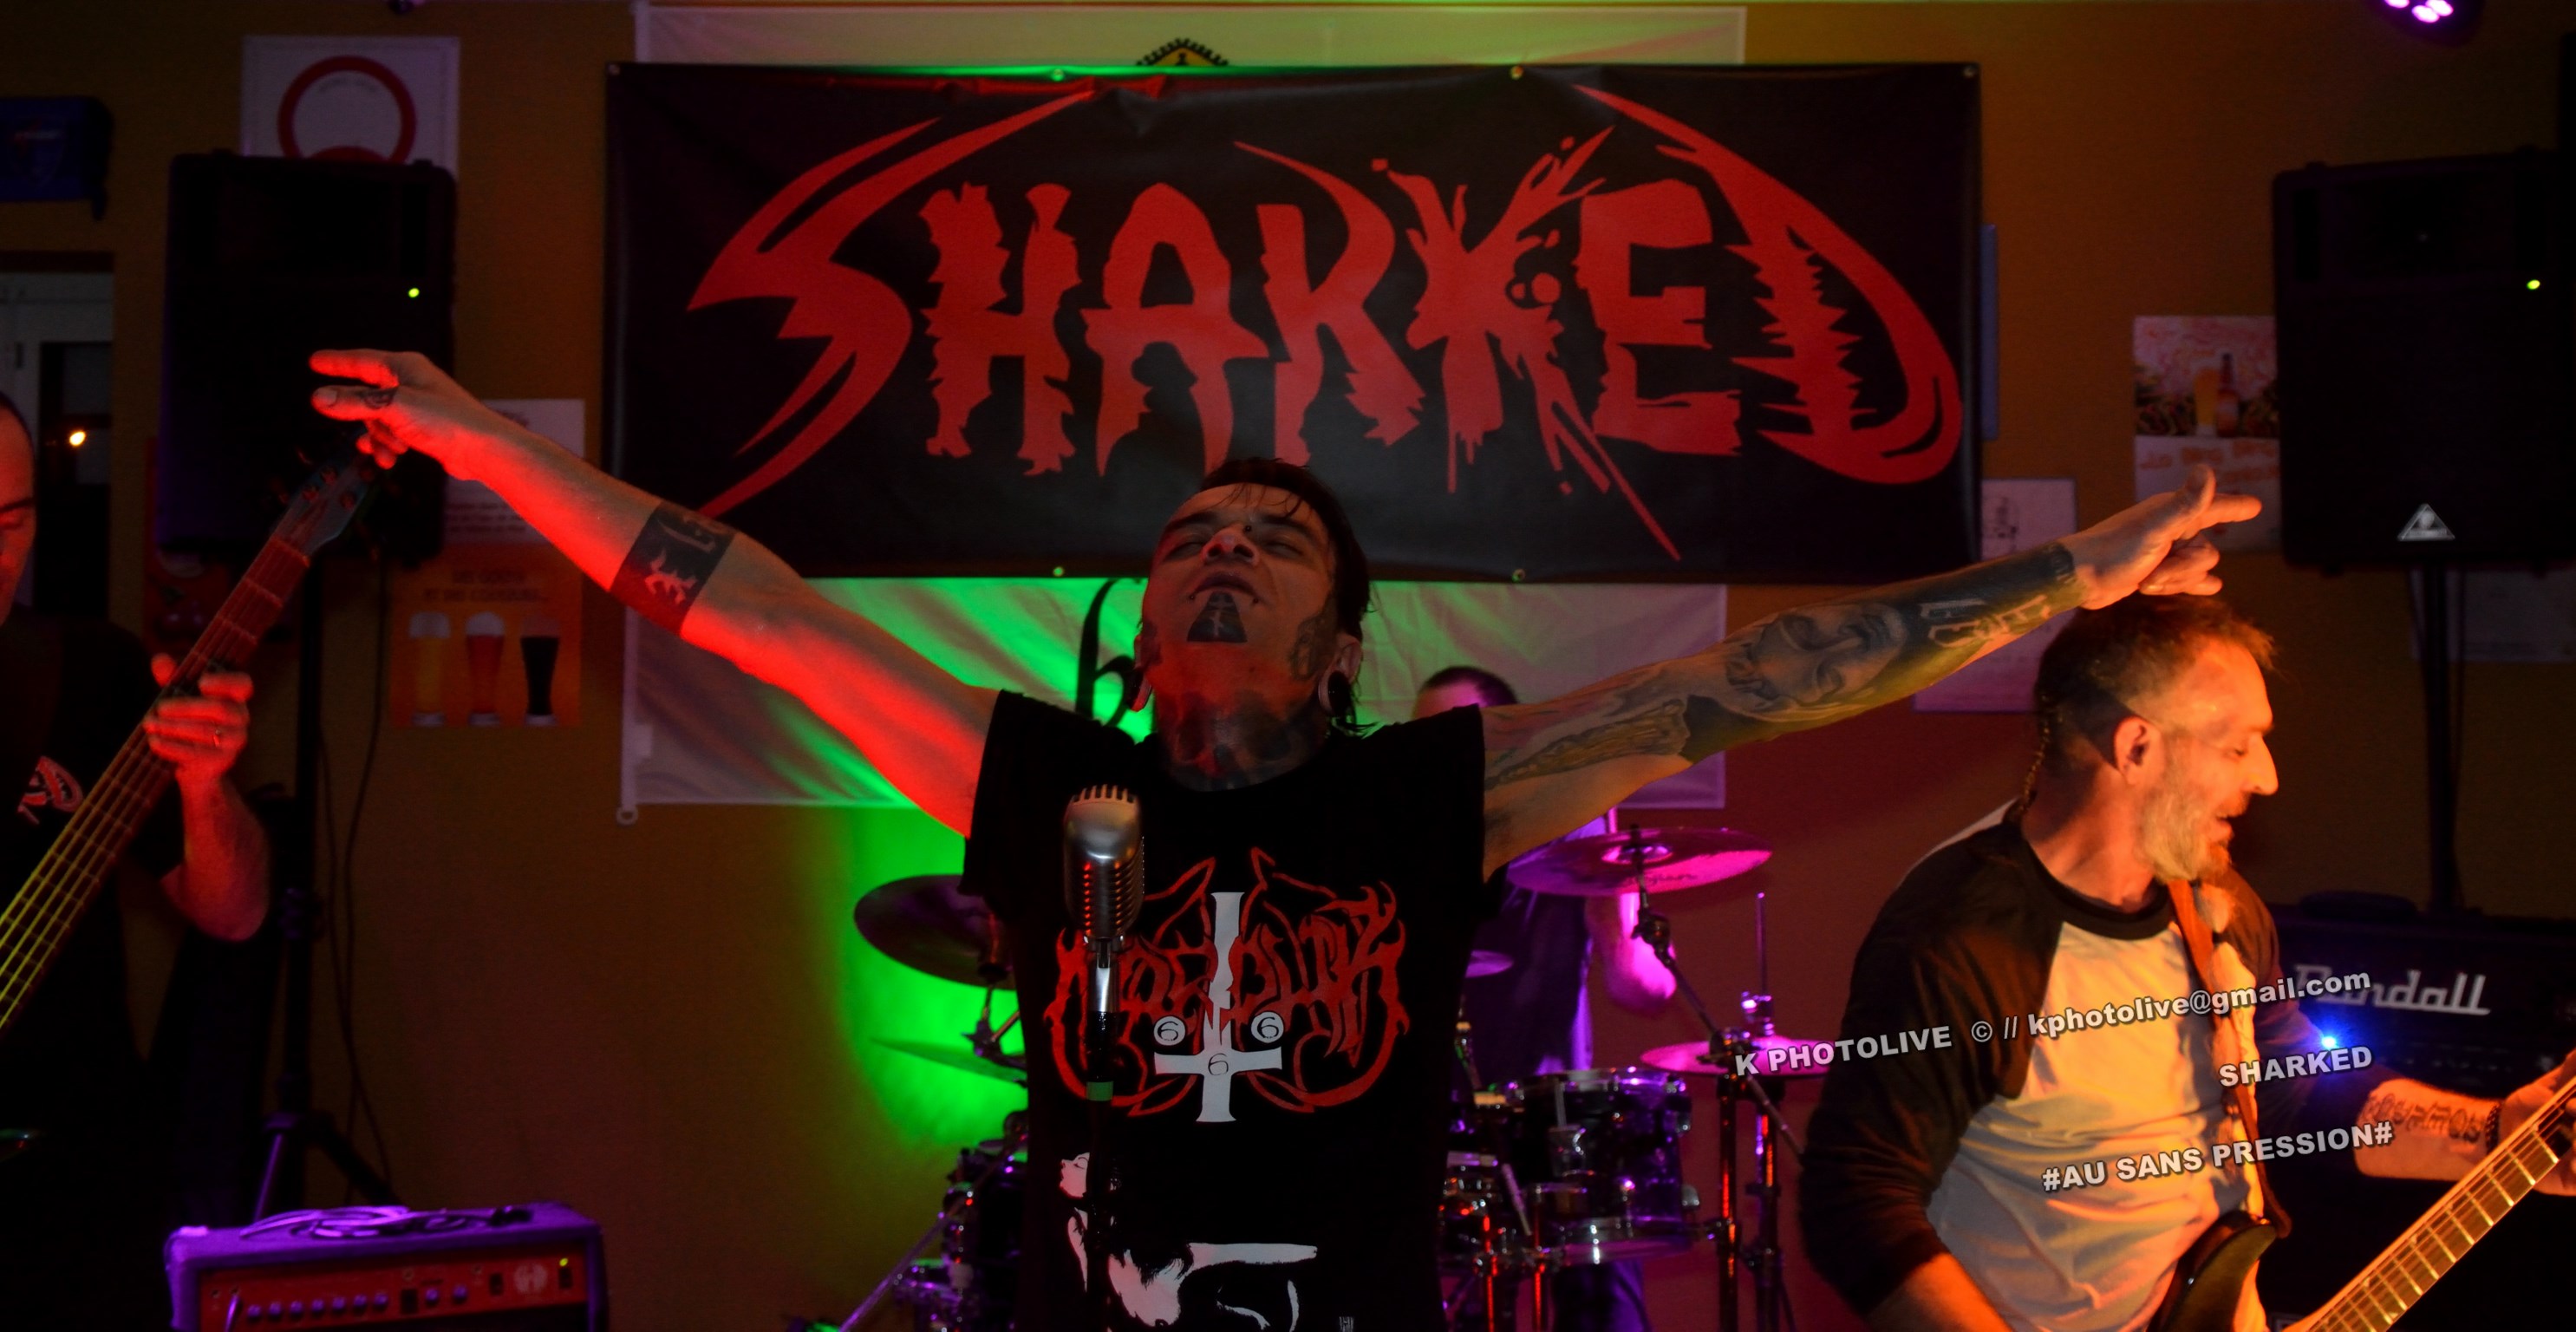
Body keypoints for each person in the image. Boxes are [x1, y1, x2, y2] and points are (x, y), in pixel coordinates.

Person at [307, 348, 2254, 1330]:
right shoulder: (1054, 789)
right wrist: (487, 442)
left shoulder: (1424, 794)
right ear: (1146, 634)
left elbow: (1762, 681)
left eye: (1274, 537)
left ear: (1337, 649)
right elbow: (747, 605)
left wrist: (2069, 576)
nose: (1223, 546)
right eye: (1190, 537)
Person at [1797, 596, 2576, 1332]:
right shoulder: (1959, 938)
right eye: (2236, 746)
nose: (2265, 777)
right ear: (2135, 747)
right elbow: (1855, 1203)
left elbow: (2294, 1094)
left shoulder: (2216, 905)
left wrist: (2497, 1134)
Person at [0, 391, 271, 1327]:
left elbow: (234, 912)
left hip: (81, 1180)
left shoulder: (89, 669)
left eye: (14, 520)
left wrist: (205, 787)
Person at [1415, 665, 1674, 1332]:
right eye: (1423, 736)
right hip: (1433, 1117)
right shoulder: (1402, 851)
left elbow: (1642, 991)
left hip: (1550, 1115)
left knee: (1601, 1309)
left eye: (1457, 733)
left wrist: (1610, 914)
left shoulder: (1572, 834)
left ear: (1511, 739)